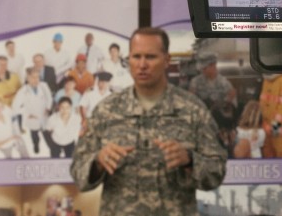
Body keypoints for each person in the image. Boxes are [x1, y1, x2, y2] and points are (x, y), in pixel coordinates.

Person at [70, 27, 227, 216]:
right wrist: (98, 162)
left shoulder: (193, 110)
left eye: (150, 57)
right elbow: (78, 172)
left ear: (167, 60)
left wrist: (190, 160)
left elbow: (216, 172)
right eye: (136, 57)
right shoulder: (106, 111)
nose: (142, 65)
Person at [11, 68, 54, 154]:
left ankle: (53, 148)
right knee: (34, 135)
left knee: (47, 134)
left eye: (37, 77)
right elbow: (15, 107)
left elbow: (49, 97)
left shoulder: (44, 85)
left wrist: (48, 108)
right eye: (33, 77)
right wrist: (26, 113)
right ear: (28, 78)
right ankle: (36, 145)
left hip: (44, 116)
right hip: (32, 118)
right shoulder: (23, 91)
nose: (36, 80)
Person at [259, 73, 282, 158]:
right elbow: (263, 102)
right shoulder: (266, 80)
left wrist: (274, 124)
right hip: (265, 122)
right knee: (267, 149)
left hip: (277, 123)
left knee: (279, 149)